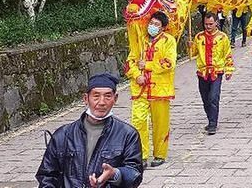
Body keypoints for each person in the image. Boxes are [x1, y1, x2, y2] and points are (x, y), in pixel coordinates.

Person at [36, 72, 144, 188]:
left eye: (107, 96)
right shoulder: (63, 135)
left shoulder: (128, 134)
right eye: (96, 96)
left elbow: (135, 174)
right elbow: (47, 175)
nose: (102, 102)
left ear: (115, 98)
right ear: (86, 98)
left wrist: (115, 173)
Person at [126, 11, 176, 167]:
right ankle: (141, 155)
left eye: (157, 25)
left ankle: (160, 154)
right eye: (151, 23)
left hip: (160, 90)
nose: (152, 27)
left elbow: (169, 63)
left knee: (160, 123)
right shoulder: (140, 41)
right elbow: (130, 62)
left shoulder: (169, 41)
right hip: (140, 89)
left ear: (163, 28)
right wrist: (136, 75)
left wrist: (147, 65)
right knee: (138, 121)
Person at [191, 12, 234, 135]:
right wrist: (191, 46)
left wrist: (229, 69)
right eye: (206, 24)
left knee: (213, 97)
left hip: (217, 71)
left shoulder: (222, 37)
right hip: (202, 72)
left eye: (210, 24)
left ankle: (213, 124)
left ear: (216, 23)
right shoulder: (199, 37)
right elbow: (194, 53)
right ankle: (210, 118)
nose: (208, 26)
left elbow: (227, 54)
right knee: (205, 99)